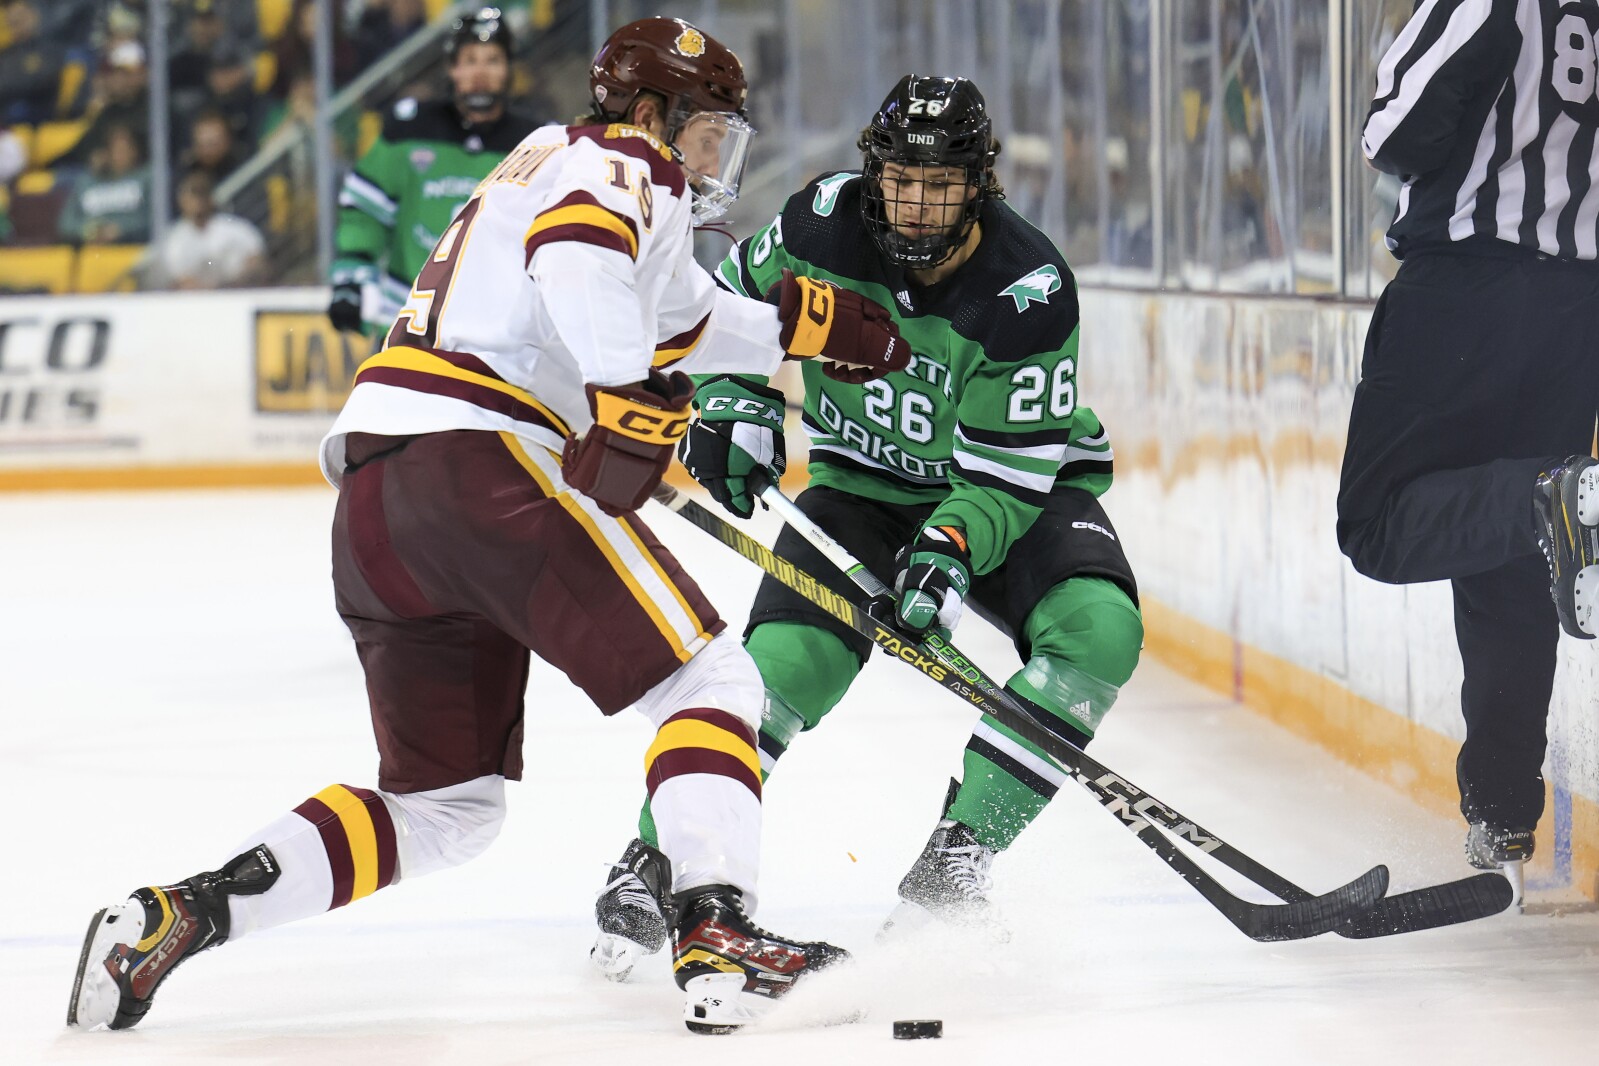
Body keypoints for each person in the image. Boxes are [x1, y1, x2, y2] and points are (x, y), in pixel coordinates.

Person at [66, 15, 908, 1036]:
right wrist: (621, 393)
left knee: (446, 808)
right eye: (702, 131)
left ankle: (174, 916)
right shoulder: (616, 160)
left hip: (382, 497)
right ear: (651, 112)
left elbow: (679, 317)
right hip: (483, 460)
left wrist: (800, 330)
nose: (707, 157)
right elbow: (585, 263)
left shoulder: (554, 167)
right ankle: (719, 928)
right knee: (713, 679)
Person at [591, 75, 1143, 976]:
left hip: (1012, 492)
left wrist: (952, 547)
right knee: (779, 671)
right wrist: (732, 406)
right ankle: (655, 859)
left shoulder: (1028, 288)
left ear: (980, 184)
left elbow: (1008, 475)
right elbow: (719, 312)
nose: (917, 204)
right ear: (873, 171)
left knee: (1098, 632)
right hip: (860, 493)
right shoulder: (817, 224)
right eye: (899, 179)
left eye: (941, 184)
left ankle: (957, 861)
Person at [1338, 1, 1599, 895]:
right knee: (1512, 560)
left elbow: (1395, 132)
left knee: (1376, 525)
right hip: (1577, 311)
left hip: (1464, 289)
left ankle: (1549, 493)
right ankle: (1500, 816)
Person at [328, 6, 535, 338]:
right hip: (408, 317)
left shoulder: (536, 143)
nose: (480, 72)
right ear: (452, 69)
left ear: (510, 68)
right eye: (469, 61)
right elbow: (364, 209)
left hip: (500, 328)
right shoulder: (408, 131)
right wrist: (351, 277)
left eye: (492, 60)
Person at [146, 168, 265, 288]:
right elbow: (179, 278)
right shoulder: (175, 238)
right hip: (197, 300)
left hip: (238, 292)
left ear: (210, 197)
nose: (197, 201)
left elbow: (256, 261)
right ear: (182, 200)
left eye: (201, 194)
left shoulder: (236, 228)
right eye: (192, 195)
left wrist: (235, 284)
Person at [57, 121, 150, 244]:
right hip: (91, 250)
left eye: (125, 149)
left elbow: (154, 218)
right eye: (116, 149)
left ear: (135, 151)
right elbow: (66, 223)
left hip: (133, 249)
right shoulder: (86, 181)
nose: (120, 154)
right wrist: (88, 230)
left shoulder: (148, 177)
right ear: (106, 152)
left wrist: (121, 230)